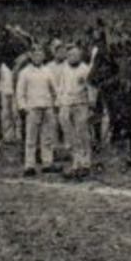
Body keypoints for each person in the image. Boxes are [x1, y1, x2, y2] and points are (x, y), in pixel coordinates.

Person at [15, 45, 59, 176]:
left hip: (47, 107)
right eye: (35, 54)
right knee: (31, 138)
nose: (38, 57)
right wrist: (23, 107)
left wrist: (55, 104)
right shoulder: (25, 72)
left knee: (47, 137)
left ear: (43, 56)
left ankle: (47, 163)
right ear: (31, 56)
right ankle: (29, 165)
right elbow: (20, 92)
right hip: (32, 108)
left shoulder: (47, 71)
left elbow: (54, 89)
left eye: (40, 54)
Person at [58, 45, 94, 177]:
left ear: (80, 56)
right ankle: (76, 162)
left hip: (81, 104)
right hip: (66, 104)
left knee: (82, 134)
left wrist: (91, 105)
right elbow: (60, 86)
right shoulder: (63, 68)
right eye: (70, 55)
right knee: (70, 135)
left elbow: (90, 88)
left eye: (75, 55)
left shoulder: (85, 69)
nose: (72, 57)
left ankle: (86, 163)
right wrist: (60, 102)